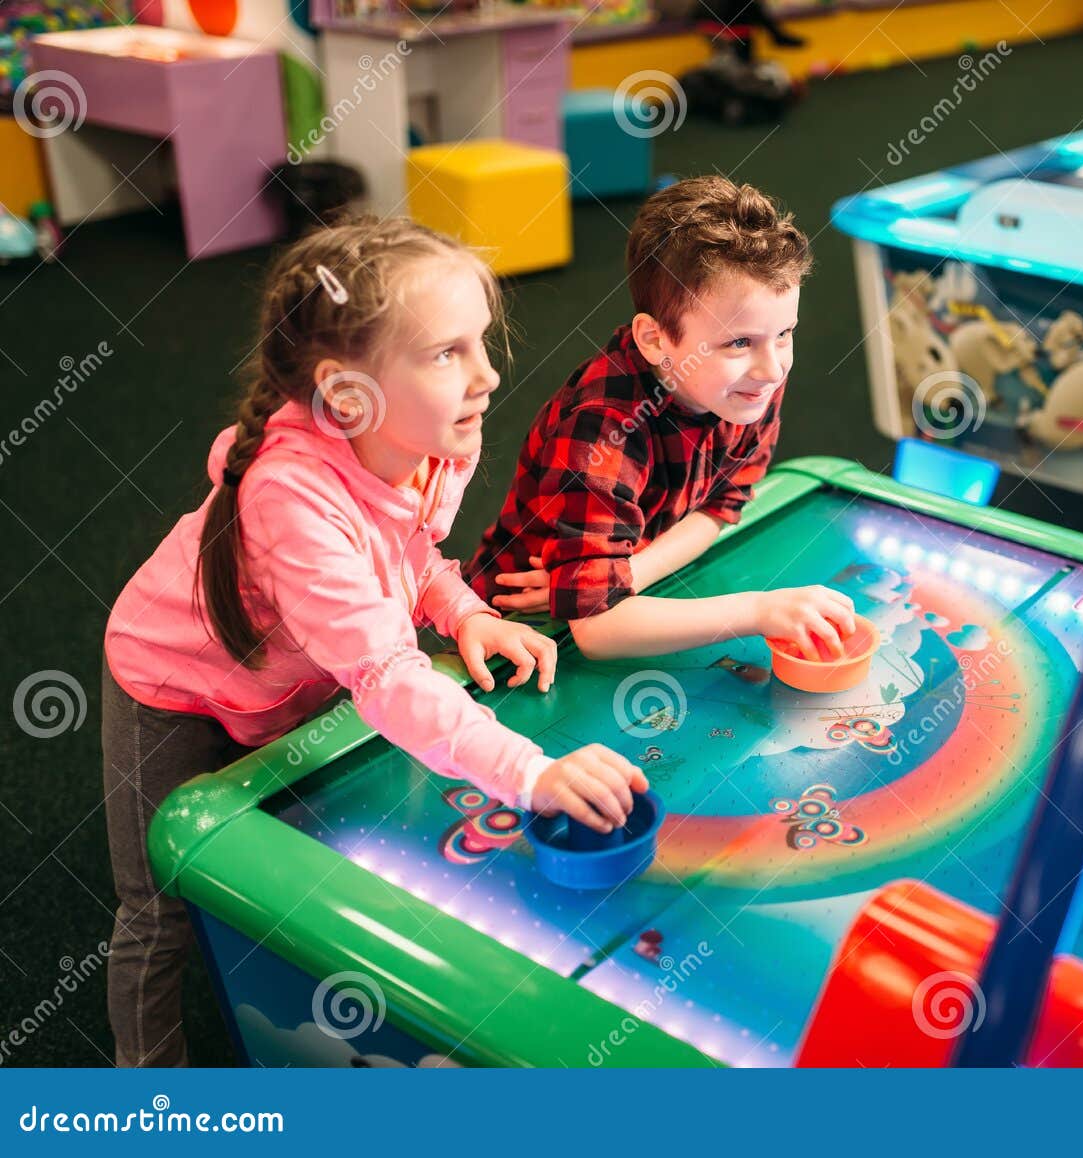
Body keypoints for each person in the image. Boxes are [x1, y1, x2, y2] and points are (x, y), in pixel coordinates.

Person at [102, 218, 643, 1067]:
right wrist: (532, 774)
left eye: (480, 343)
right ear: (347, 395)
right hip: (174, 688)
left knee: (290, 863)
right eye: (446, 353)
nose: (487, 374)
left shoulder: (425, 442)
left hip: (298, 674)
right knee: (160, 905)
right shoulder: (290, 497)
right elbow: (386, 677)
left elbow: (408, 551)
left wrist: (465, 612)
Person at [468, 175, 854, 661]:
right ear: (654, 339)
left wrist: (618, 578)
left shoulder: (748, 383)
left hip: (624, 595)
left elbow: (721, 505)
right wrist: (758, 611)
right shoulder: (601, 428)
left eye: (785, 333)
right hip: (511, 634)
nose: (773, 367)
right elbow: (598, 630)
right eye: (739, 342)